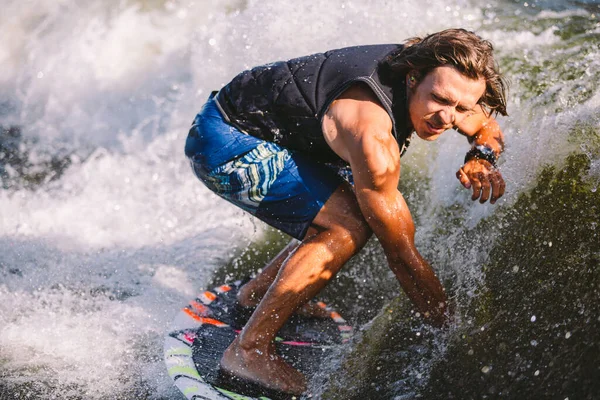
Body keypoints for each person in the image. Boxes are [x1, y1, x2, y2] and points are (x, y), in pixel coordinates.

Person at [184, 28, 507, 395]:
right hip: (222, 137)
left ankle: (258, 296)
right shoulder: (373, 136)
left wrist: (481, 157)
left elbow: (484, 125)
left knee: (343, 213)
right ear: (413, 77)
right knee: (347, 226)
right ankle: (248, 351)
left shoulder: (440, 79)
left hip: (277, 130)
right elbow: (401, 256)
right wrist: (452, 330)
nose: (446, 118)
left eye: (460, 108)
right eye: (439, 100)